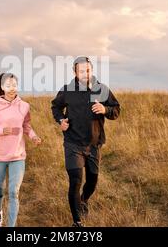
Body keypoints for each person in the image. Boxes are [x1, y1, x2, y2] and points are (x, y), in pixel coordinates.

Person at [51, 57, 120, 227]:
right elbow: (55, 107)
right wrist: (61, 120)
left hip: (94, 144)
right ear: (75, 72)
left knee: (92, 182)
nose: (85, 74)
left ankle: (84, 199)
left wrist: (105, 109)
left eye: (88, 70)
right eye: (81, 71)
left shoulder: (102, 90)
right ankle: (77, 222)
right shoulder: (67, 90)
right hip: (73, 143)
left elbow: (116, 109)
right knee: (75, 180)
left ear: (91, 70)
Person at [0, 73, 42, 227]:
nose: (12, 88)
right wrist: (1, 130)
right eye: (8, 85)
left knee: (14, 193)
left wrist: (33, 137)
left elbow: (26, 126)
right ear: (2, 87)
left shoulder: (24, 106)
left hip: (18, 156)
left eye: (14, 85)